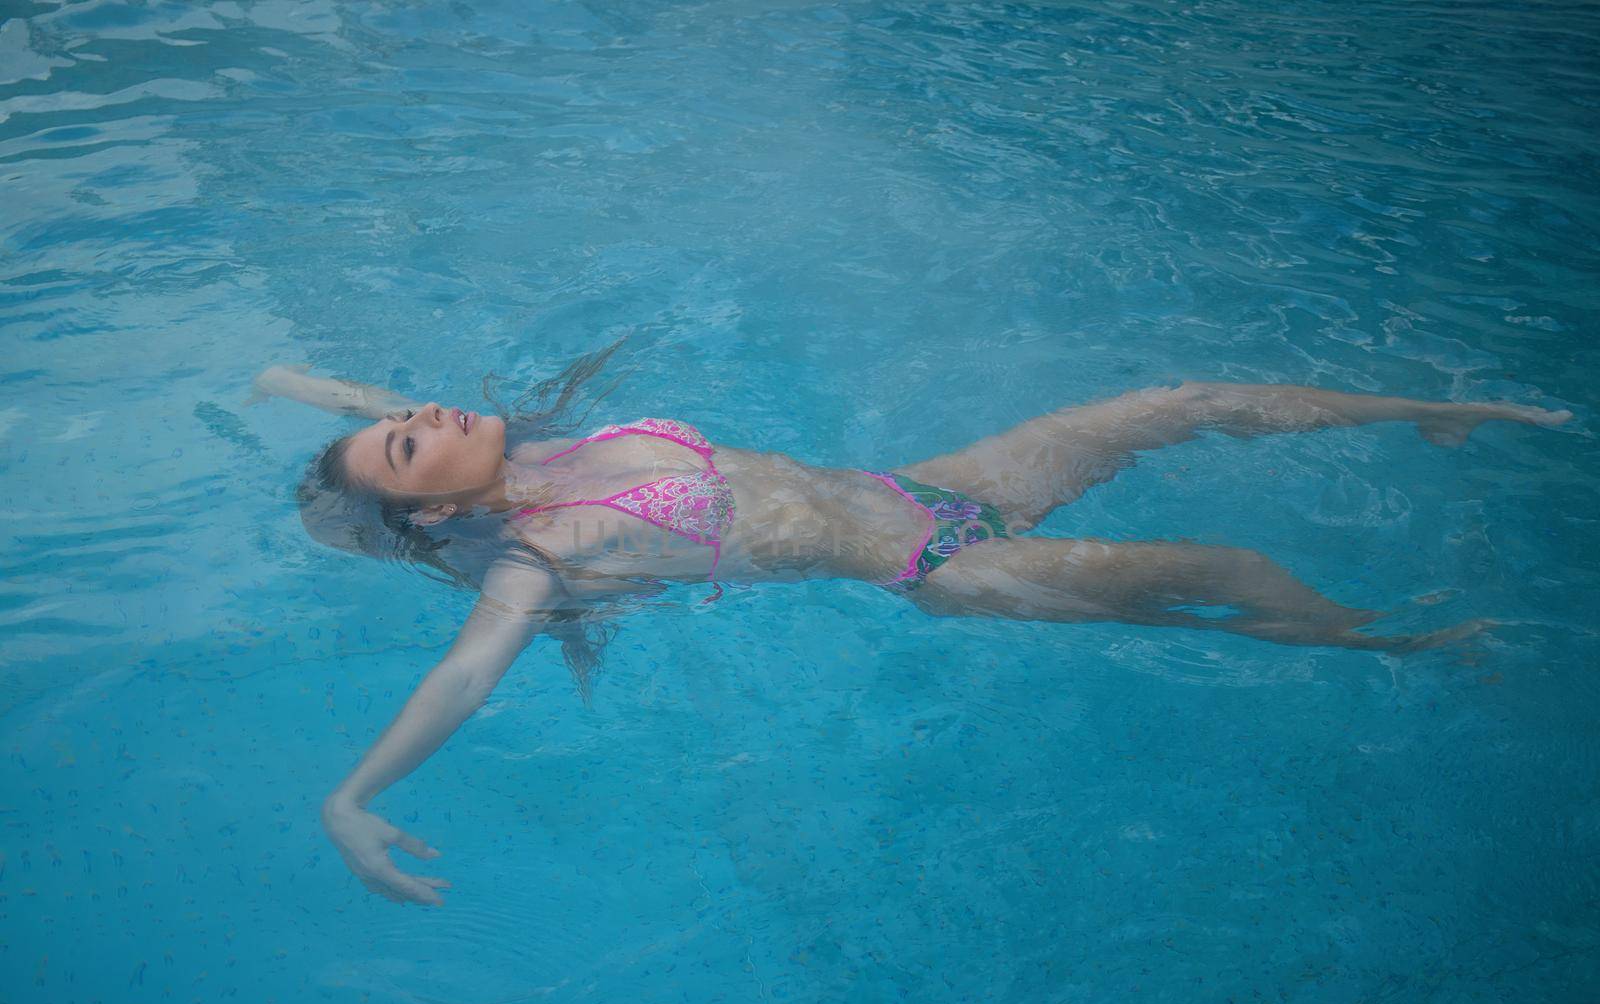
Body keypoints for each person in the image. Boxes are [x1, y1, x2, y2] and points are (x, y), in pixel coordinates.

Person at [253, 353, 1570, 905]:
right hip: (944, 563)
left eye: (409, 413)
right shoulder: (549, 547)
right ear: (431, 510)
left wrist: (296, 386)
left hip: (923, 486)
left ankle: (1434, 415)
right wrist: (351, 797)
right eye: (407, 442)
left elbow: (380, 413)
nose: (424, 414)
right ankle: (1403, 646)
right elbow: (475, 661)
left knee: (1181, 400)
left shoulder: (526, 456)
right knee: (1227, 566)